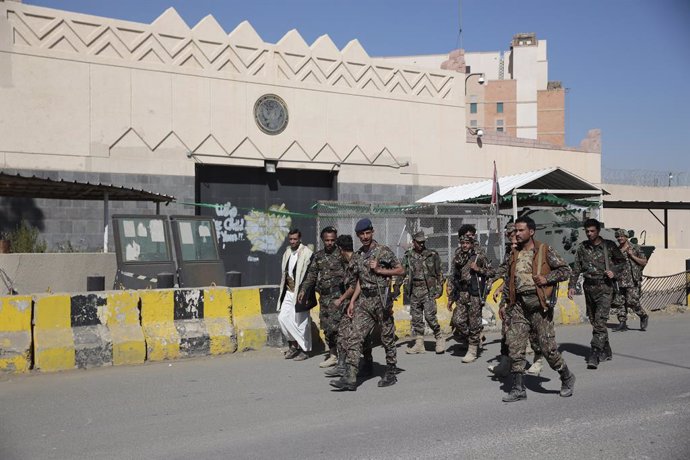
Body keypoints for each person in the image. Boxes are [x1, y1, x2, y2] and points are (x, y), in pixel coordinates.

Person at [502, 216, 575, 402]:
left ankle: (566, 376)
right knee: (515, 347)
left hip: (539, 306)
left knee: (548, 349)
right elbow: (509, 280)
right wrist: (505, 303)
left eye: (520, 230)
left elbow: (565, 270)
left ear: (531, 232)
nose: (516, 234)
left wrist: (547, 278)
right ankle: (518, 388)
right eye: (515, 230)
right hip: (518, 306)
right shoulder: (513, 253)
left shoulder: (543, 249)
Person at [330, 218, 404, 391]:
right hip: (364, 300)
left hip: (381, 299)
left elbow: (401, 270)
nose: (365, 237)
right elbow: (358, 282)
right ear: (358, 236)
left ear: (372, 232)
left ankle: (391, 371)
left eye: (367, 233)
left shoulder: (383, 251)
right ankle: (350, 377)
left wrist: (380, 270)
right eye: (362, 234)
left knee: (387, 337)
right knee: (355, 336)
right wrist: (353, 301)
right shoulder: (358, 256)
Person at [568, 218, 625, 369]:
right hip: (589, 288)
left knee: (599, 322)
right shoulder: (582, 247)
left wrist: (613, 271)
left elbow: (622, 262)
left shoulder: (609, 246)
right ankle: (606, 350)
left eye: (592, 231)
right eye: (587, 231)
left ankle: (594, 352)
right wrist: (572, 285)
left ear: (598, 231)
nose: (589, 234)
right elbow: (577, 268)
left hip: (605, 288)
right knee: (595, 321)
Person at [324, 234, 374, 378]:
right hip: (353, 304)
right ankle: (342, 365)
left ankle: (366, 365)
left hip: (361, 304)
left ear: (340, 249)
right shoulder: (350, 260)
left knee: (360, 337)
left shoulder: (355, 261)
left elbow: (354, 285)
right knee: (344, 333)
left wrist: (341, 299)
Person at [298, 226, 347, 368]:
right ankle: (333, 355)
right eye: (327, 240)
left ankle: (342, 356)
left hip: (339, 296)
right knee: (326, 327)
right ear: (322, 240)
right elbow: (312, 275)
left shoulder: (342, 254)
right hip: (324, 297)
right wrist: (303, 289)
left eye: (332, 240)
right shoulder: (318, 256)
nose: (330, 243)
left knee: (337, 327)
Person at [393, 230, 445, 355]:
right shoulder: (408, 256)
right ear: (413, 242)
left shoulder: (432, 254)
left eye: (423, 242)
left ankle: (439, 338)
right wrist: (396, 288)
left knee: (429, 316)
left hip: (428, 290)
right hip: (414, 290)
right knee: (416, 319)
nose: (421, 245)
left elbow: (439, 273)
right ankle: (419, 344)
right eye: (419, 242)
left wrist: (440, 288)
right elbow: (402, 272)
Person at [446, 234, 493, 363]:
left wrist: (478, 269)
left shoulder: (479, 257)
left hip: (475, 292)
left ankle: (472, 350)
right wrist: (450, 297)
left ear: (472, 244)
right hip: (461, 292)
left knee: (474, 321)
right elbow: (453, 276)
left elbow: (491, 272)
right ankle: (475, 338)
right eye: (462, 243)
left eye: (467, 243)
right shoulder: (458, 257)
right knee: (458, 321)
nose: (464, 245)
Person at [277, 229, 314, 361]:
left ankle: (304, 349)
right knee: (282, 318)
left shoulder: (307, 253)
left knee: (301, 322)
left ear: (300, 239)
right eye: (291, 239)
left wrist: (305, 291)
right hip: (288, 291)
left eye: (295, 239)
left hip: (301, 292)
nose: (293, 241)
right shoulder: (287, 252)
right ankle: (293, 345)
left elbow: (311, 274)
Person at [612, 229, 649, 332]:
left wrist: (632, 255)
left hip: (632, 280)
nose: (620, 238)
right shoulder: (616, 250)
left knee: (632, 301)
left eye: (622, 236)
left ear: (626, 237)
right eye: (618, 237)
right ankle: (622, 323)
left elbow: (644, 262)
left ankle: (643, 315)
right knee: (619, 302)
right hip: (619, 280)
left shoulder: (635, 248)